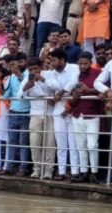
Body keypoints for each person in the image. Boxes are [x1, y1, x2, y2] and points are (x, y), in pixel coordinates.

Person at [66, 51, 102, 183]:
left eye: (85, 63)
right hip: (77, 113)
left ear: (90, 63)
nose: (82, 66)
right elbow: (71, 96)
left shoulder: (97, 74)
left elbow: (104, 90)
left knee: (92, 145)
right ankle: (83, 172)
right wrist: (75, 96)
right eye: (80, 63)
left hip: (92, 114)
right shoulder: (75, 75)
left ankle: (94, 173)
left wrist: (89, 90)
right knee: (81, 145)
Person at [45, 48, 79, 180]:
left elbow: (73, 83)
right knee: (61, 143)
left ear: (63, 60)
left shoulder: (74, 68)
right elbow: (53, 86)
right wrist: (61, 90)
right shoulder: (51, 73)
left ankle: (75, 172)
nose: (52, 63)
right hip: (58, 110)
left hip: (72, 109)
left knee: (73, 142)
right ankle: (61, 171)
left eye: (54, 60)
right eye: (51, 60)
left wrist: (60, 92)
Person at [22, 57, 56, 179]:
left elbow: (56, 88)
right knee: (34, 143)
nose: (33, 71)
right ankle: (37, 168)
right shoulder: (27, 78)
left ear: (40, 67)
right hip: (35, 113)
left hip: (50, 113)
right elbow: (20, 95)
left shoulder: (50, 75)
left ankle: (48, 170)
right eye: (30, 69)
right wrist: (25, 88)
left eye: (35, 68)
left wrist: (42, 79)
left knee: (50, 143)